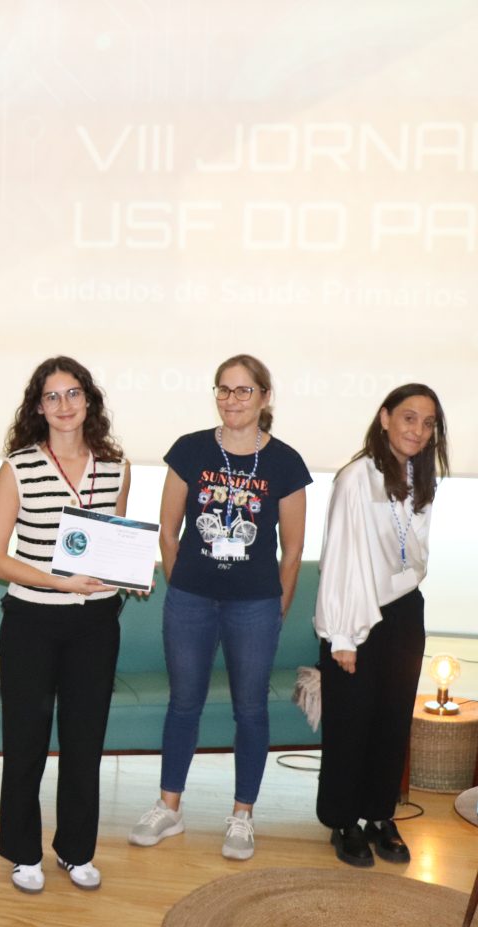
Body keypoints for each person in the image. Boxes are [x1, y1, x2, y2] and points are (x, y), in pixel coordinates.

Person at [129, 354, 310, 860]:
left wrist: (276, 608)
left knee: (250, 709)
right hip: (191, 599)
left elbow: (293, 550)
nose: (232, 400)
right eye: (224, 390)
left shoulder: (285, 462)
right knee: (183, 703)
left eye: (244, 390)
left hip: (255, 605)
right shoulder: (190, 450)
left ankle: (242, 815)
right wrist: (183, 584)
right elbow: (168, 532)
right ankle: (169, 807)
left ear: (265, 397)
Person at [0, 356, 130, 893]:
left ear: (89, 401)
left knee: (85, 742)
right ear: (38, 407)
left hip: (96, 624)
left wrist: (129, 575)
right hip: (32, 622)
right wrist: (59, 582)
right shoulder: (18, 468)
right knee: (26, 741)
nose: (64, 405)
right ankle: (24, 853)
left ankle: (76, 850)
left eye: (73, 394)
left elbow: (114, 544)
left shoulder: (116, 466)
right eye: (52, 396)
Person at [313, 384, 448, 867]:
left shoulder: (421, 478)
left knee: (392, 722)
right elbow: (339, 559)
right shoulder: (356, 477)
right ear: (385, 417)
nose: (418, 430)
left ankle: (379, 814)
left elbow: (415, 552)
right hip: (356, 615)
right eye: (409, 418)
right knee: (350, 724)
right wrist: (342, 636)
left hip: (405, 611)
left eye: (428, 423)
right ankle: (343, 821)